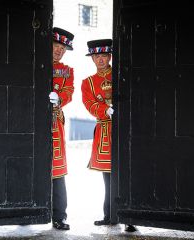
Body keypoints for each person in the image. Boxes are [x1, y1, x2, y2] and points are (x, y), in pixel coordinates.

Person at [81, 39, 137, 233]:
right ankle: (110, 216)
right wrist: (105, 109)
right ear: (92, 59)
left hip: (124, 130)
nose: (100, 60)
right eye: (96, 56)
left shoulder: (120, 75)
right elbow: (89, 104)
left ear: (110, 57)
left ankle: (130, 217)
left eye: (104, 56)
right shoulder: (87, 82)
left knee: (127, 175)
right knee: (108, 178)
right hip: (105, 132)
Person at [49, 27, 75, 231]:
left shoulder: (66, 71)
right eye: (56, 46)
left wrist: (60, 99)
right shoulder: (33, 63)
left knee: (57, 169)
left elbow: (68, 91)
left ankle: (59, 215)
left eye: (62, 48)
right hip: (29, 122)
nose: (59, 51)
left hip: (53, 122)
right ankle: (26, 211)